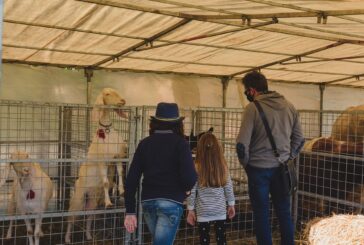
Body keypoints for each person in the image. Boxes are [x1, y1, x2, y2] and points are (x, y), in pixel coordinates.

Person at [236, 71, 305, 245]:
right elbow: (299, 139)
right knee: (284, 211)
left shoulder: (252, 109)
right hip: (282, 169)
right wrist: (288, 157)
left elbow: (241, 146)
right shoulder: (290, 106)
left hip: (258, 169)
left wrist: (247, 165)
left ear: (251, 90)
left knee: (261, 213)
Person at [124, 102, 197, 245]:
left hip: (148, 202)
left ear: (155, 123)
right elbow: (190, 177)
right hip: (171, 202)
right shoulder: (181, 144)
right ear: (178, 124)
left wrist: (130, 211)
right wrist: (186, 190)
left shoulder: (144, 144)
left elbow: (131, 179)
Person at [187, 133, 236, 245]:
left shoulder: (196, 166)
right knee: (221, 240)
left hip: (203, 211)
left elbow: (192, 190)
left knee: (204, 241)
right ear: (217, 149)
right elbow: (228, 186)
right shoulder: (222, 166)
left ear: (200, 149)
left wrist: (190, 209)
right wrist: (231, 204)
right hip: (219, 210)